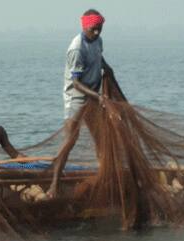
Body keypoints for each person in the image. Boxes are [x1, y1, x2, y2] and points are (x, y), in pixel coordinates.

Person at [46, 9, 123, 199]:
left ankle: (107, 178)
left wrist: (106, 67)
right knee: (69, 141)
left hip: (94, 94)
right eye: (94, 29)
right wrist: (99, 98)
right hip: (76, 98)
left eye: (100, 29)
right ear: (85, 26)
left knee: (101, 138)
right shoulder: (77, 48)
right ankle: (54, 185)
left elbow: (99, 57)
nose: (97, 33)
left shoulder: (98, 40)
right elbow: (76, 83)